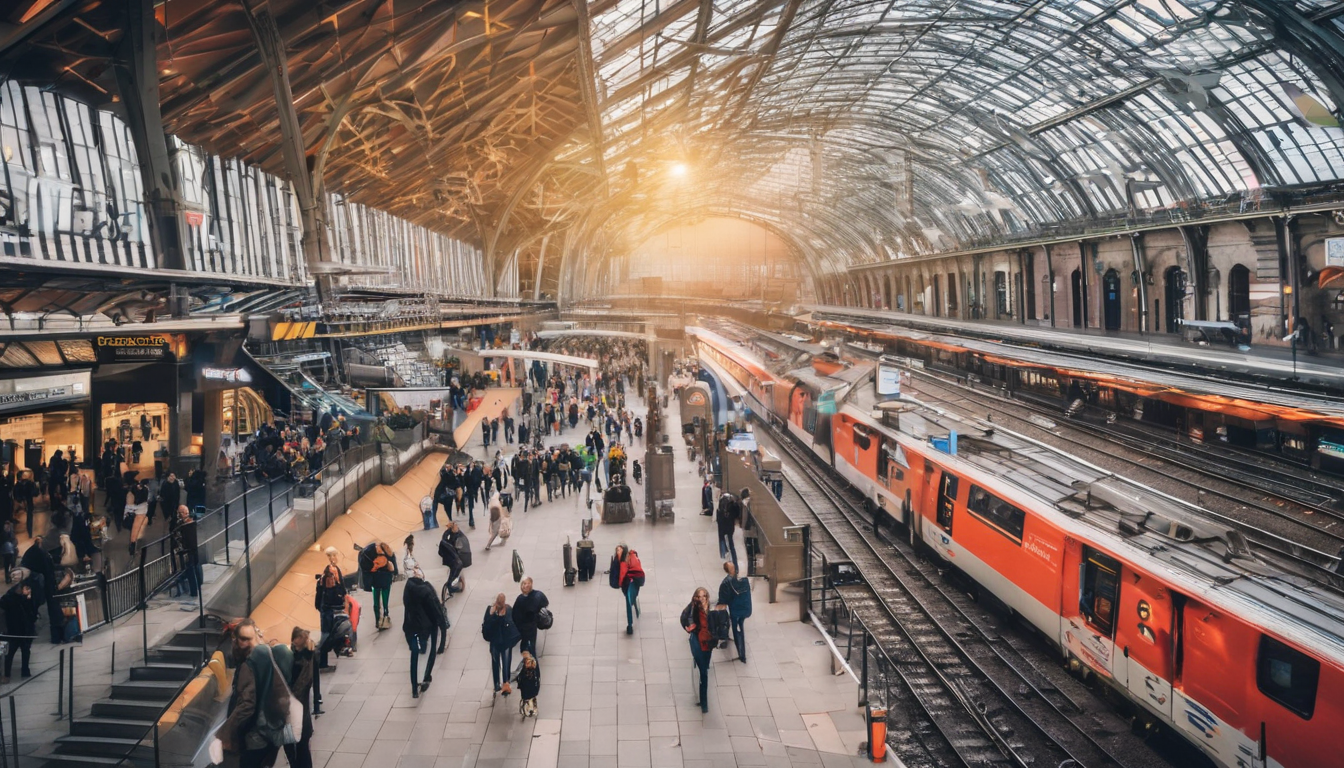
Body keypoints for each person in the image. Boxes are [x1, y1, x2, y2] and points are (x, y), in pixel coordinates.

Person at [212, 618, 291, 768]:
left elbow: (247, 705)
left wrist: (226, 732)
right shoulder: (269, 656)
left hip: (257, 734)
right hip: (273, 730)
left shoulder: (249, 665)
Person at [273, 627, 317, 768]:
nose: (294, 645)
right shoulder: (296, 656)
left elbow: (301, 686)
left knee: (300, 751)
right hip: (296, 715)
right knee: (296, 750)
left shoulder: (304, 659)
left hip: (298, 716)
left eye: (297, 644)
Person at [403, 566, 448, 697]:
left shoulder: (408, 588)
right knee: (430, 651)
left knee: (415, 655)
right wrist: (443, 628)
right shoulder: (426, 590)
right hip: (428, 627)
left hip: (412, 626)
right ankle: (426, 678)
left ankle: (414, 686)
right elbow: (436, 610)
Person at [680, 587, 715, 713]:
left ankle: (702, 696)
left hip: (708, 642)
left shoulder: (711, 608)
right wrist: (689, 628)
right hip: (697, 641)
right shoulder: (693, 608)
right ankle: (704, 702)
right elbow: (684, 618)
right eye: (699, 596)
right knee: (703, 671)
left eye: (704, 596)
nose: (702, 599)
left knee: (705, 666)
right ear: (696, 597)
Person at [481, 593, 521, 695]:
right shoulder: (507, 610)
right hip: (505, 642)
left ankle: (497, 684)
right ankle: (505, 683)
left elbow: (486, 625)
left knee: (495, 663)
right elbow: (514, 623)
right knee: (506, 663)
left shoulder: (490, 610)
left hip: (495, 642)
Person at [0, 581, 36, 681]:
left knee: (23, 651)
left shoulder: (19, 599)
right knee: (11, 653)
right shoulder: (10, 599)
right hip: (14, 631)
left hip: (23, 630)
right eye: (27, 589)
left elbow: (32, 613)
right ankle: (8, 674)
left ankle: (23, 671)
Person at [716, 562, 752, 662]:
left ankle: (741, 653)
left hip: (735, 611)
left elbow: (723, 599)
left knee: (737, 630)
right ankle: (741, 654)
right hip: (745, 610)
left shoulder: (726, 582)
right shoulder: (743, 580)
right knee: (739, 629)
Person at [315, 565, 348, 670]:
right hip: (327, 614)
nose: (332, 582)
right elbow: (319, 602)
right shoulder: (323, 587)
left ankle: (324, 661)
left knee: (331, 636)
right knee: (326, 637)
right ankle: (322, 662)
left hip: (330, 613)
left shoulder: (334, 586)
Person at [512, 577, 549, 657]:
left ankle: (531, 666)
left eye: (527, 583)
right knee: (530, 649)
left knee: (527, 650)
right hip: (529, 628)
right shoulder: (537, 595)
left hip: (527, 628)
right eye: (524, 583)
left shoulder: (522, 599)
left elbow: (515, 615)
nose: (526, 586)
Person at [614, 544, 645, 635]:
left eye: (619, 550)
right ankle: (635, 602)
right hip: (637, 580)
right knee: (631, 597)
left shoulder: (624, 561)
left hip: (631, 582)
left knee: (628, 601)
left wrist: (619, 584)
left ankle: (630, 625)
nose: (618, 552)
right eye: (617, 550)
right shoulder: (633, 556)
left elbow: (623, 574)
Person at [174, 505, 203, 597]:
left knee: (191, 570)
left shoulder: (184, 525)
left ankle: (194, 592)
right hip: (194, 548)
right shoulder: (193, 522)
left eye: (179, 513)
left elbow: (179, 537)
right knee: (196, 566)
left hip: (188, 550)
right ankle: (199, 586)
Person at [369, 543, 397, 630]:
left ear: (382, 549)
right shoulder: (389, 555)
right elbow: (394, 569)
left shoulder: (377, 557)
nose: (376, 548)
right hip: (384, 581)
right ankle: (383, 618)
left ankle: (380, 619)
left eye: (377, 547)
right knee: (382, 602)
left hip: (378, 581)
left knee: (378, 602)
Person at [438, 521, 469, 596]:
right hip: (454, 558)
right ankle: (452, 585)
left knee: (456, 571)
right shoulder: (455, 536)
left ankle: (453, 584)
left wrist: (449, 530)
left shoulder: (457, 537)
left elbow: (444, 539)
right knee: (456, 570)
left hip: (454, 558)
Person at [716, 491, 741, 570]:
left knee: (726, 544)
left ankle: (728, 561)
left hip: (723, 528)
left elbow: (718, 518)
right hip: (730, 527)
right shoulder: (733, 504)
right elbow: (737, 514)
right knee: (731, 546)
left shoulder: (721, 507)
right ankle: (734, 565)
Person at [516, 651, 540, 716]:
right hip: (529, 689)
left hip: (527, 689)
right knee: (530, 698)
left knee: (529, 697)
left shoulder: (524, 672)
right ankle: (531, 708)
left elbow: (519, 679)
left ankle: (529, 707)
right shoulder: (532, 673)